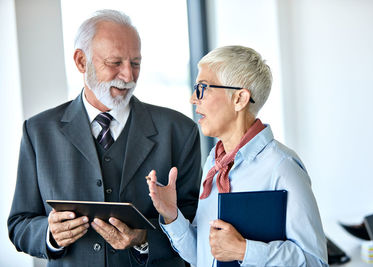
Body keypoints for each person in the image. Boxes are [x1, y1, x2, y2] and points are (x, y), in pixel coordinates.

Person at [8, 9, 201, 267]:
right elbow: (19, 224)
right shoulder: (38, 131)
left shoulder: (179, 131)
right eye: (115, 63)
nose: (128, 76)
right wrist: (50, 235)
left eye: (135, 63)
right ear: (80, 61)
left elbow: (196, 224)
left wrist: (144, 240)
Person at [146, 45, 329, 266]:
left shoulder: (282, 166)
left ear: (240, 99)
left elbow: (316, 262)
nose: (193, 99)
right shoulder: (214, 163)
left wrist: (244, 250)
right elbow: (203, 257)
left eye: (202, 88)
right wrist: (172, 216)